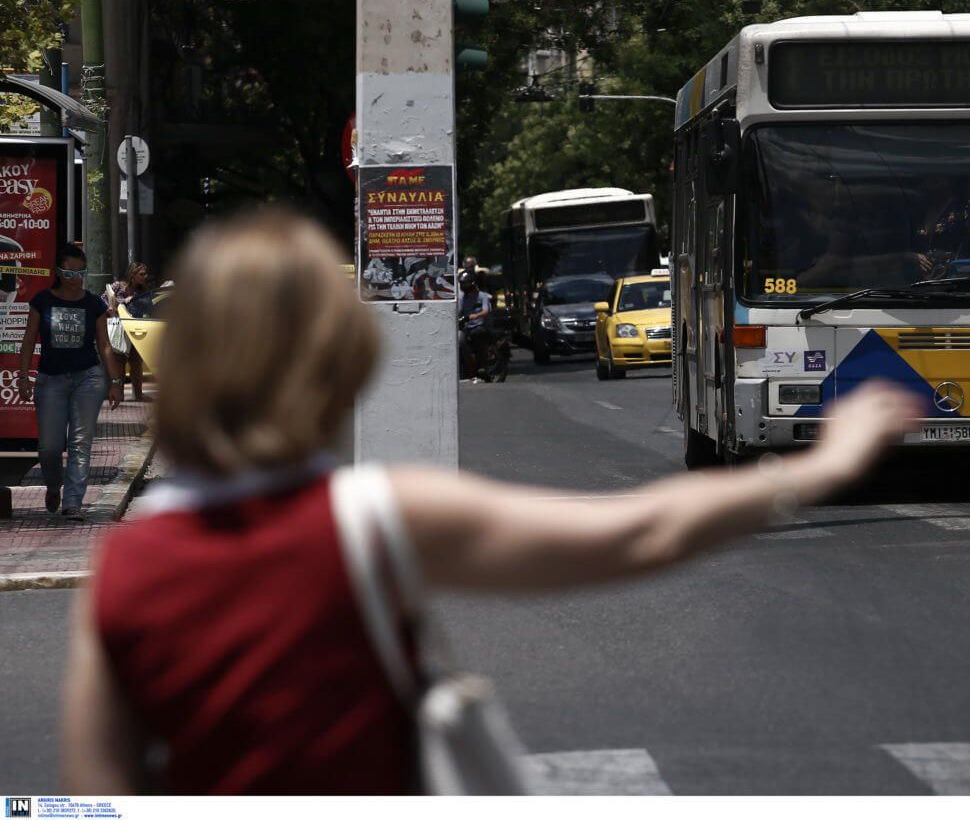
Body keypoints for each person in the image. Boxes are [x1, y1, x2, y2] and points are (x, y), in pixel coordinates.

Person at [60, 208, 919, 795]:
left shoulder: (126, 564)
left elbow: (95, 789)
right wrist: (816, 467)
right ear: (339, 366)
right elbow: (638, 532)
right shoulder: (371, 516)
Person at [18, 245, 124, 520]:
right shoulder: (42, 301)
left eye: (80, 272)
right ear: (58, 272)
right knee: (49, 447)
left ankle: (73, 501)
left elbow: (105, 345)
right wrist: (23, 376)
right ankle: (53, 486)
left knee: (80, 443)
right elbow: (29, 340)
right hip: (50, 380)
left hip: (87, 378)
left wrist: (115, 381)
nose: (75, 278)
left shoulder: (94, 303)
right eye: (68, 272)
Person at [909, 175, 970, 280]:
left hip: (954, 281)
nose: (934, 176)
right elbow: (906, 246)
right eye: (930, 173)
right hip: (920, 282)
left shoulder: (965, 209)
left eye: (940, 173)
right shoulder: (920, 210)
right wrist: (912, 257)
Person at [103, 262, 153, 402]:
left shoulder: (143, 291)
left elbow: (148, 305)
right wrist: (116, 305)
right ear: (133, 275)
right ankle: (119, 393)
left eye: (145, 274)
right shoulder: (118, 286)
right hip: (119, 327)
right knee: (119, 361)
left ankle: (138, 393)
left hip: (135, 327)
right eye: (142, 274)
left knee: (136, 361)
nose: (145, 277)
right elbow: (104, 299)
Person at [457, 267, 491, 376]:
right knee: (459, 340)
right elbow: (459, 312)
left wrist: (476, 315)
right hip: (467, 327)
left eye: (465, 283)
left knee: (476, 334)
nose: (463, 286)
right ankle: (468, 365)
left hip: (481, 326)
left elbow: (486, 311)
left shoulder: (482, 296)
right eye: (462, 284)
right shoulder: (465, 298)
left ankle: (482, 364)